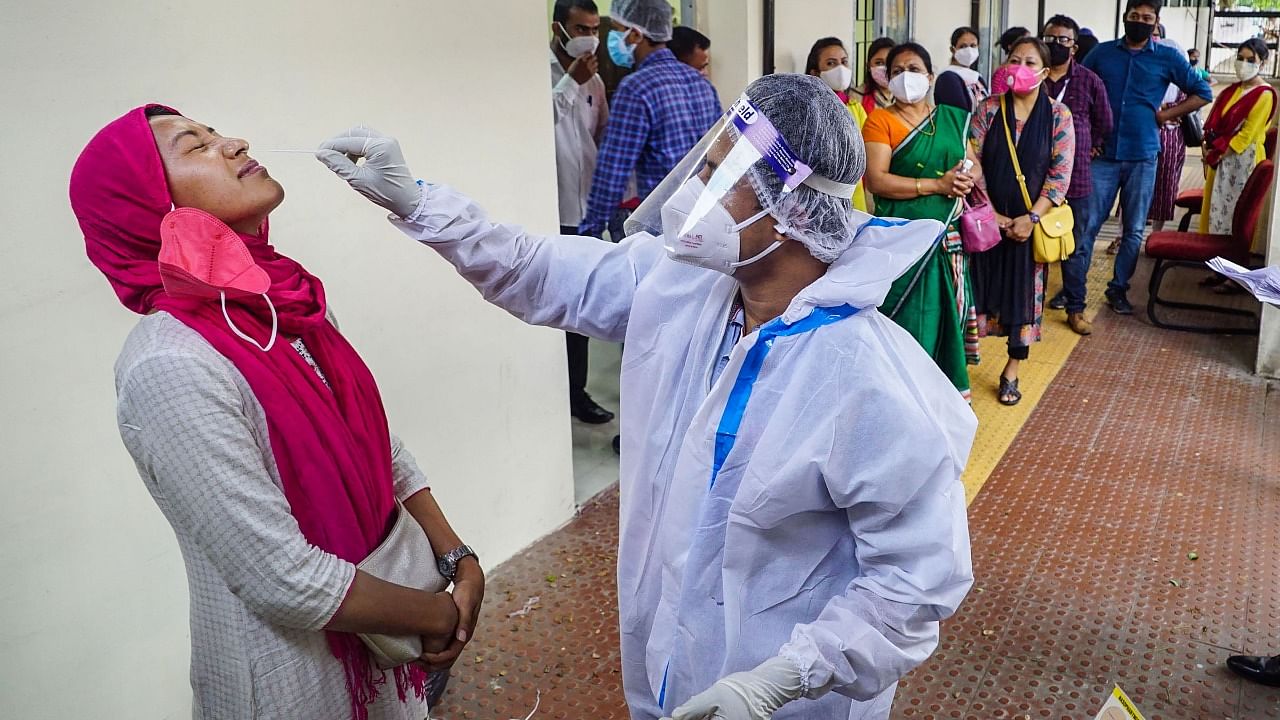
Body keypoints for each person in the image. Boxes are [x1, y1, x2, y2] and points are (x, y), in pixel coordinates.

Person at [317, 72, 976, 720]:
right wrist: (420, 203)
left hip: (793, 702)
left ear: (793, 206)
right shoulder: (681, 287)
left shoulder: (866, 377)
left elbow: (913, 584)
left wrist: (781, 681)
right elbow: (536, 269)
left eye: (719, 175)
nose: (694, 191)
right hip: (666, 670)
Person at [69, 106, 484, 720]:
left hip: (386, 653)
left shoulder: (283, 304)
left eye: (217, 132)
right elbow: (282, 577)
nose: (235, 143)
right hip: (292, 680)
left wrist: (454, 554)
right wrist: (436, 614)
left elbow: (375, 443)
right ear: (149, 207)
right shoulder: (170, 365)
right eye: (196, 145)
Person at [863, 42, 983, 399]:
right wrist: (936, 184)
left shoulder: (953, 118)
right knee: (911, 319)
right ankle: (903, 399)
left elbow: (972, 163)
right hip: (906, 240)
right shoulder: (880, 120)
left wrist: (965, 176)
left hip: (948, 240)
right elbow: (877, 180)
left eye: (913, 69)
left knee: (945, 316)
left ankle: (942, 397)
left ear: (930, 77)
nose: (905, 77)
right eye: (897, 71)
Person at [1081, 0, 1212, 316]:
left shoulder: (1168, 56)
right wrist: (1088, 136)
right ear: (1125, 18)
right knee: (1087, 225)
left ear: (1156, 22)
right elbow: (1079, 88)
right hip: (1104, 155)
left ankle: (1118, 290)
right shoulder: (1102, 53)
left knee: (1134, 229)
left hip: (1143, 155)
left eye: (1147, 18)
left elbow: (1202, 92)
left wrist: (1167, 113)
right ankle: (1074, 290)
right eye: (1134, 16)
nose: (1139, 21)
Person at [970, 38, 1076, 405]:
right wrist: (991, 214)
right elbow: (973, 161)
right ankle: (962, 368)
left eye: (1030, 62)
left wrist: (1031, 218)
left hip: (1031, 225)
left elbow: (1059, 175)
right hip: (986, 222)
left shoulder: (1059, 116)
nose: (1020, 67)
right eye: (1014, 60)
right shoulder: (987, 110)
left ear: (1045, 72)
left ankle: (1011, 372)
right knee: (977, 289)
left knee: (1025, 298)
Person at [578, 0, 721, 240]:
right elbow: (722, 151)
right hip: (706, 222)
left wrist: (590, 232)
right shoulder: (702, 84)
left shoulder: (636, 88)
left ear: (635, 34)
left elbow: (612, 171)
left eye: (616, 29)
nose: (610, 38)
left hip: (663, 226)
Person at [551, 0, 616, 425]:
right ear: (558, 28)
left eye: (595, 27)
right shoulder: (543, 75)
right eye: (580, 27)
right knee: (554, 303)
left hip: (587, 208)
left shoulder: (594, 78)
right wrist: (570, 84)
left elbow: (600, 134)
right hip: (552, 206)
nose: (589, 36)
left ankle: (577, 391)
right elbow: (538, 123)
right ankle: (558, 392)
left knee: (582, 304)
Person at [1040, 14, 1113, 335]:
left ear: (1075, 46)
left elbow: (1105, 123)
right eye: (1050, 39)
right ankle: (1026, 308)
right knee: (1031, 245)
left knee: (1076, 245)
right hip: (1031, 179)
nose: (1056, 45)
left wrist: (1090, 147)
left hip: (1076, 179)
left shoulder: (1088, 80)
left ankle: (1075, 308)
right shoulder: (1031, 78)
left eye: (1063, 40)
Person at [1199, 37, 1276, 236]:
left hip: (1242, 161)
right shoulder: (1233, 90)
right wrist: (1207, 146)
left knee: (1234, 213)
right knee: (1215, 209)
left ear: (1263, 62)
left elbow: (1246, 135)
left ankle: (1228, 261)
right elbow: (1216, 122)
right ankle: (1212, 252)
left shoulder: (1264, 94)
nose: (1244, 64)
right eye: (1240, 58)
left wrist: (1216, 154)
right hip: (1221, 157)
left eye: (1251, 60)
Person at [805, 36, 871, 212]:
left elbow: (867, 153)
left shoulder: (855, 107)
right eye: (831, 63)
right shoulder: (807, 108)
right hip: (816, 198)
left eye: (844, 62)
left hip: (854, 197)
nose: (840, 69)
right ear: (814, 72)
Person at [1147, 25, 1190, 236]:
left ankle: (1157, 233)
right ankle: (1123, 234)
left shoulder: (1180, 78)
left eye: (1156, 35)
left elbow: (1186, 105)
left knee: (1165, 186)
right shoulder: (1145, 70)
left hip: (1172, 140)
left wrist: (1165, 109)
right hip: (1145, 135)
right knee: (1135, 185)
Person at [937, 26, 988, 107]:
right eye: (963, 46)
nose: (969, 50)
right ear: (953, 50)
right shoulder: (947, 78)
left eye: (973, 45)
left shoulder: (977, 77)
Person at [851, 36, 897, 115]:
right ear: (869, 66)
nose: (885, 68)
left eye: (890, 62)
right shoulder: (856, 97)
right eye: (879, 63)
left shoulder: (905, 97)